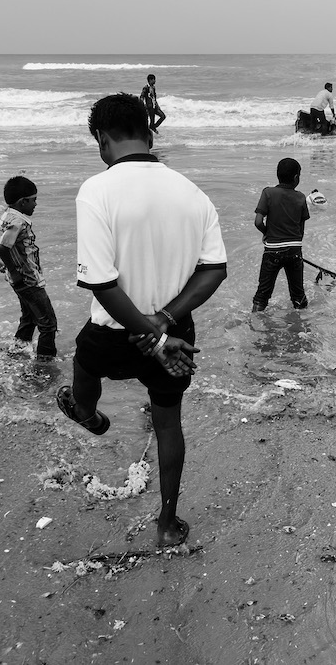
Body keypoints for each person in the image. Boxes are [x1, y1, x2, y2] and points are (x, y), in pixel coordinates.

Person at [58, 93, 227, 547]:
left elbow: (102, 284)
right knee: (168, 424)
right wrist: (164, 323)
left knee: (84, 366)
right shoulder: (192, 191)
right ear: (149, 133)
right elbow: (215, 269)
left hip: (116, 329)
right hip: (175, 332)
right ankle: (168, 523)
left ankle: (88, 414)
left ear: (101, 138)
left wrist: (148, 332)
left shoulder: (97, 189)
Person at [0, 175, 57, 361]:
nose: (35, 204)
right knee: (48, 324)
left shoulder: (5, 216)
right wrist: (13, 268)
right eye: (33, 200)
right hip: (28, 279)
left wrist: (1, 262)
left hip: (17, 280)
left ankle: (19, 348)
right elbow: (2, 245)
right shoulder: (18, 221)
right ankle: (45, 361)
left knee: (29, 316)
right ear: (22, 202)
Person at [251, 158, 311, 312]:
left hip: (272, 250)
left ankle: (254, 324)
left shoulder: (268, 193)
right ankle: (302, 325)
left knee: (262, 295)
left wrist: (267, 233)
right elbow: (300, 231)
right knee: (298, 295)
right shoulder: (301, 197)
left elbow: (258, 222)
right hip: (294, 250)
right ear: (296, 178)